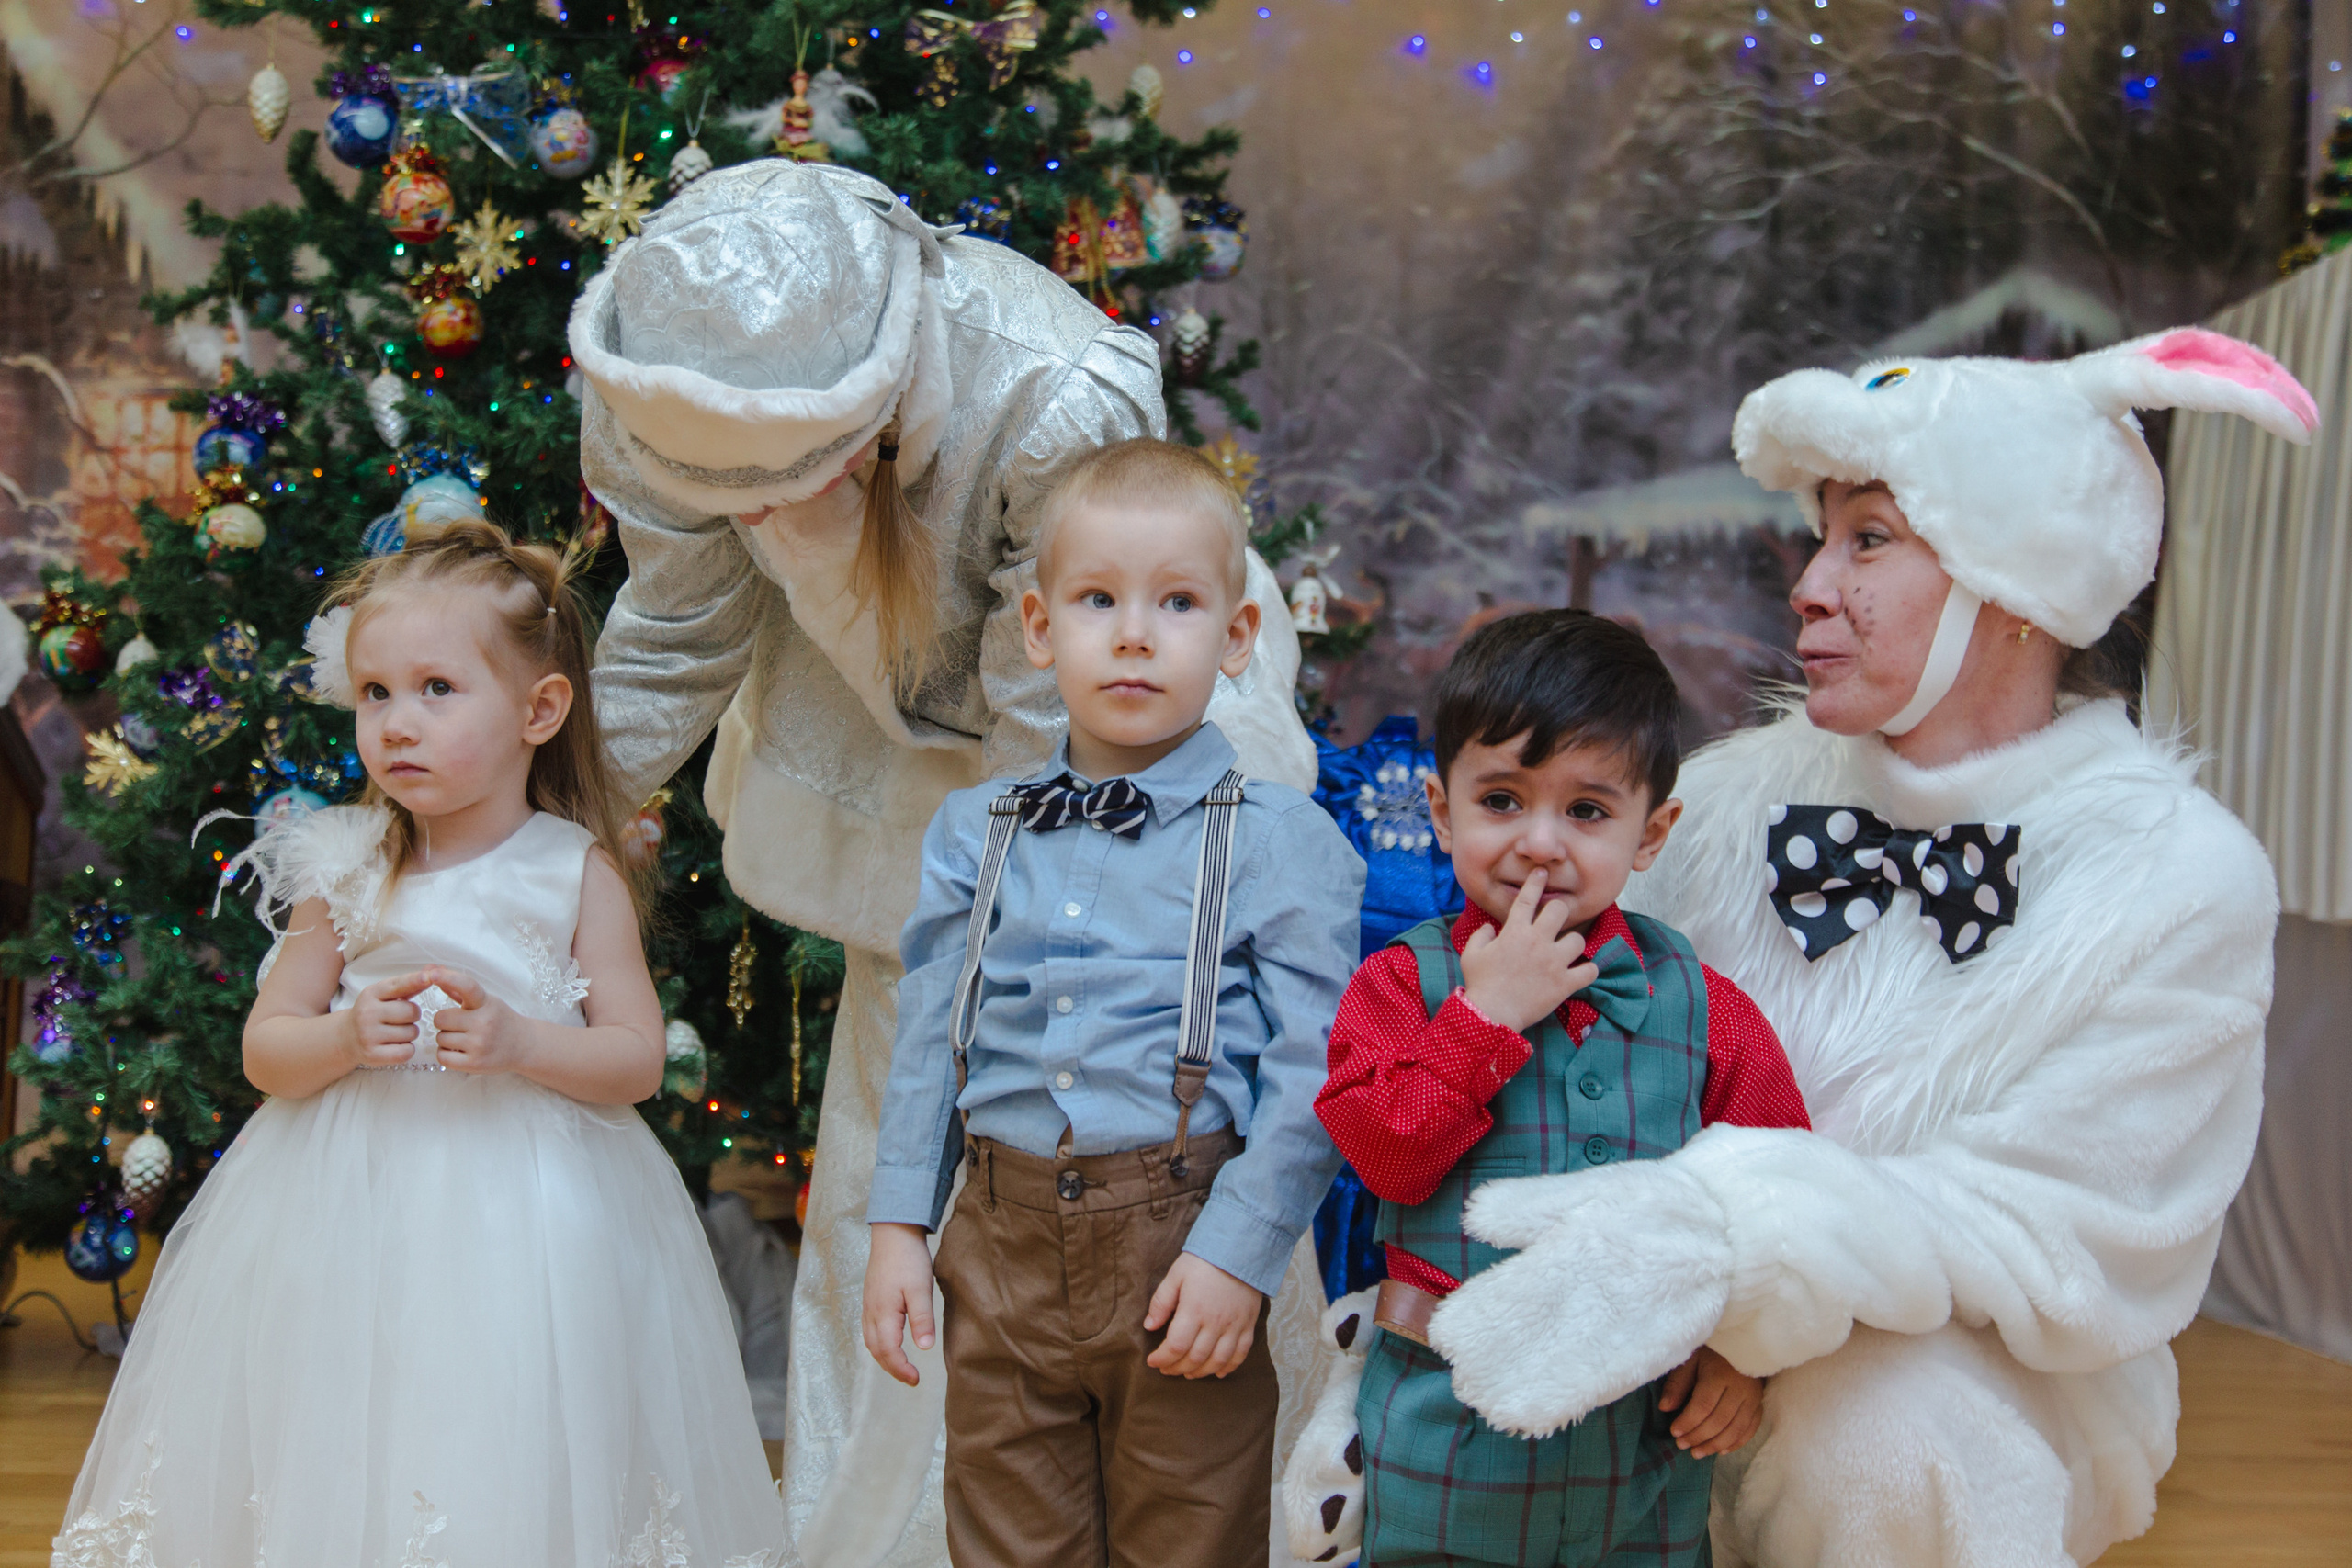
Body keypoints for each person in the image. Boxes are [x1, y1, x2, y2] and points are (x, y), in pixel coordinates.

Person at [1419, 331, 2315, 1566]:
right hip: (1675, 1327)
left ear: (2018, 581)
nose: (1809, 583)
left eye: (1871, 538)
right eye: (1822, 533)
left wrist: (1740, 1247)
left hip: (1978, 1373)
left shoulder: (2171, 876)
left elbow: (2059, 1235)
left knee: (1883, 1436)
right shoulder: (1724, 801)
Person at [572, 159, 1321, 1565]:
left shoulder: (1050, 399)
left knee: (1159, 1106)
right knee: (897, 1117)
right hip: (894, 741)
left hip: (1102, 765)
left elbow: (1070, 716)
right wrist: (527, 847)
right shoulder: (663, 380)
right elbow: (673, 635)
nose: (762, 517)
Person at [53, 522, 783, 1566]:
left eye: (437, 688)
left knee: (504, 1415)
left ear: (539, 710)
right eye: (377, 695)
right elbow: (268, 1050)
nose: (398, 723)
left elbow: (633, 1056)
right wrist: (346, 1035)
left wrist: (524, 1040)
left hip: (529, 1218)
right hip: (346, 1209)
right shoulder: (344, 865)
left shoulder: (574, 869)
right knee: (352, 1413)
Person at [860, 440, 1364, 1567]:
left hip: (1178, 1241)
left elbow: (1311, 1077)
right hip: (997, 1240)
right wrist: (900, 1228)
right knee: (1004, 1532)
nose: (1134, 634)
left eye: (1177, 602)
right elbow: (932, 1044)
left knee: (1186, 1532)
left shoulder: (1282, 843)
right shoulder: (976, 832)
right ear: (1041, 628)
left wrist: (1237, 1256)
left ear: (1236, 639)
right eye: (1098, 600)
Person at [1306, 611, 1810, 1567]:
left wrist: (1743, 1353)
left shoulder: (1708, 1010)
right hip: (1445, 1432)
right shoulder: (1399, 987)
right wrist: (1482, 1022)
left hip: (1643, 1439)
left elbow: (1778, 1197)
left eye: (1586, 812)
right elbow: (1384, 1157)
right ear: (1440, 810)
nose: (1540, 844)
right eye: (1501, 799)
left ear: (1650, 832)